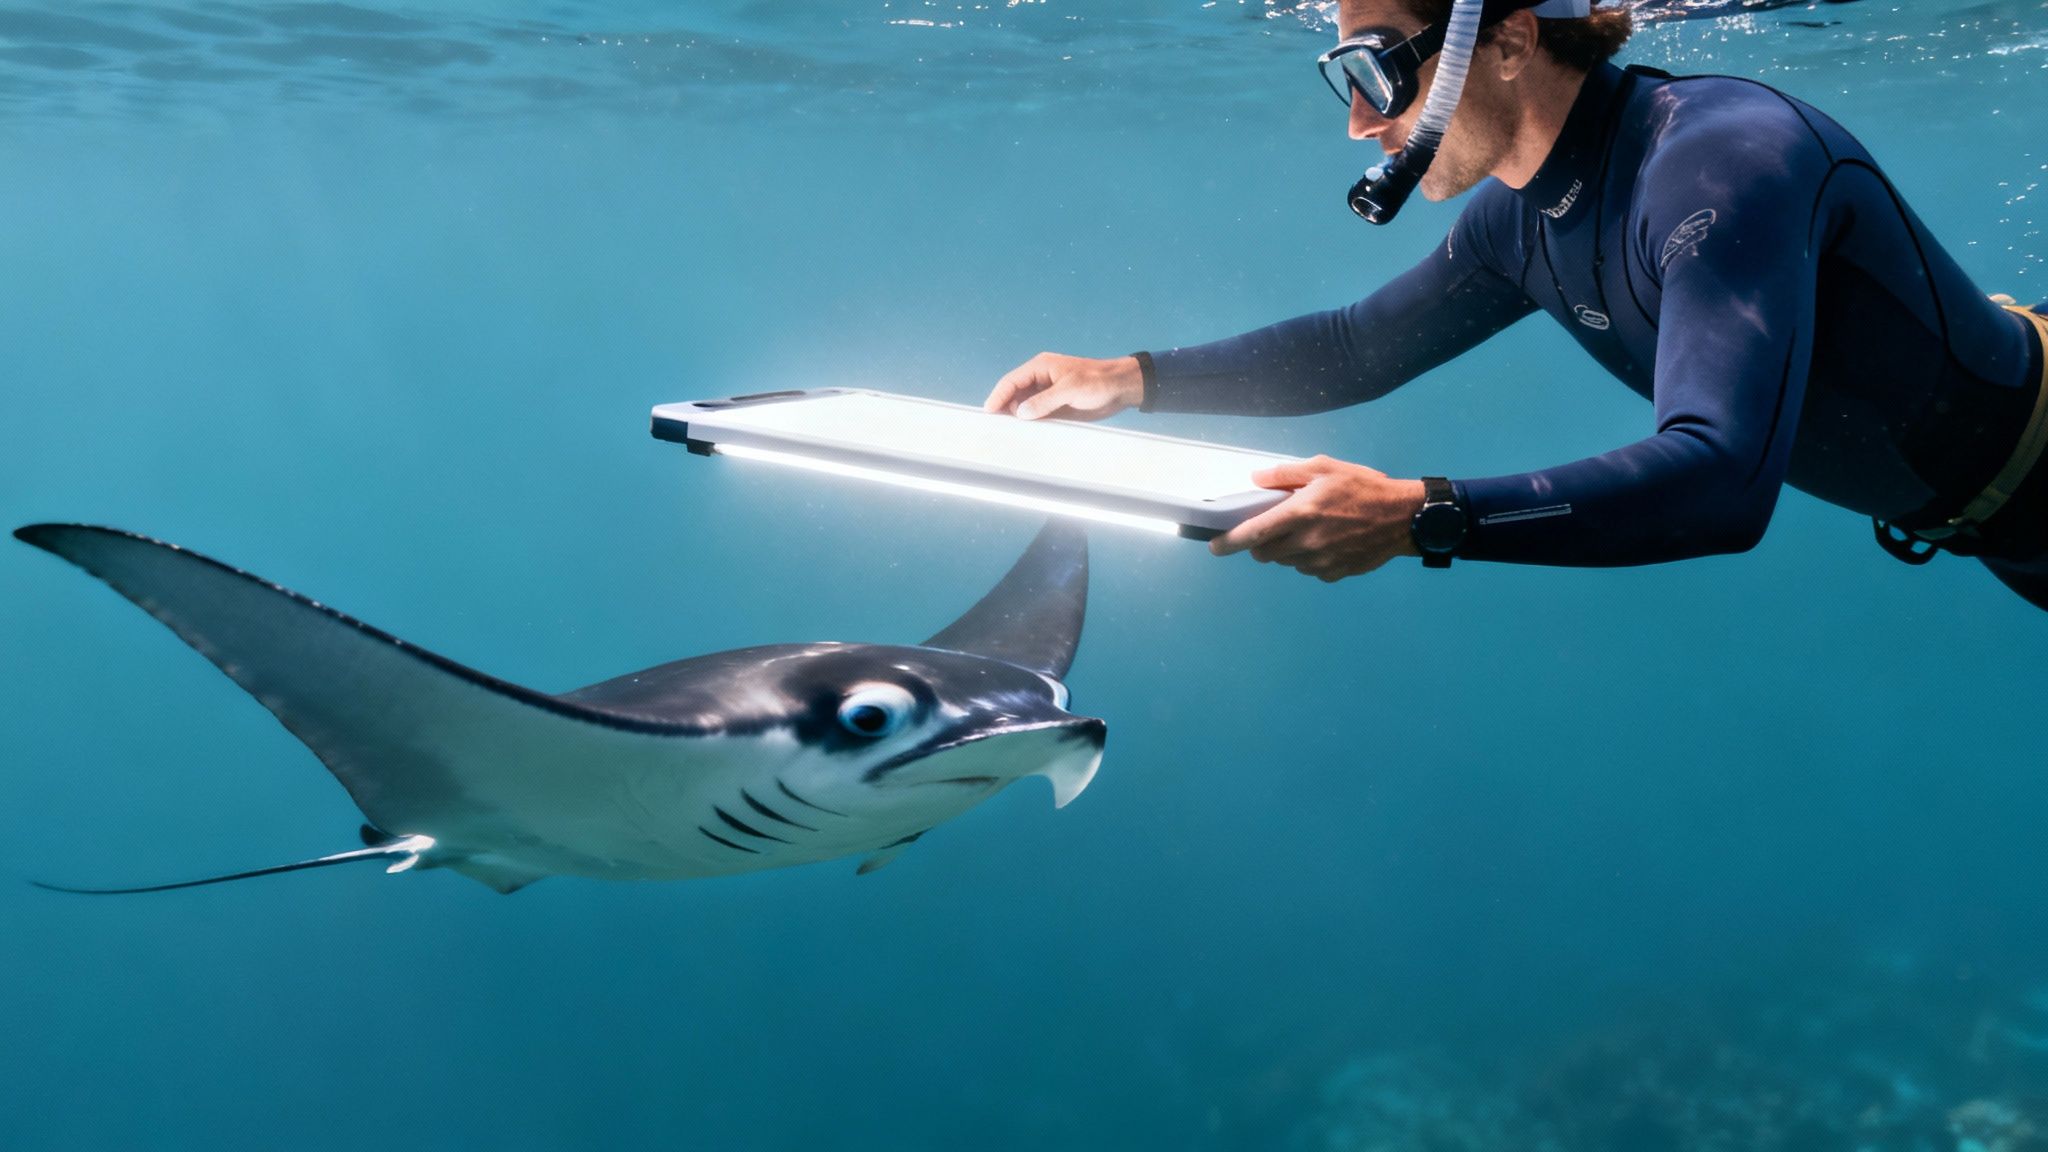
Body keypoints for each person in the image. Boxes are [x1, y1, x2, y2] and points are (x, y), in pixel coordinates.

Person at [982, 0, 2048, 608]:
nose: (1359, 125)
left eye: (1375, 70)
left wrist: (1419, 514)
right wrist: (1128, 379)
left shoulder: (1723, 165)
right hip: (1998, 519)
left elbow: (1721, 483)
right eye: (1335, 77)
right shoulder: (1516, 222)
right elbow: (1356, 348)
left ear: (1504, 43)